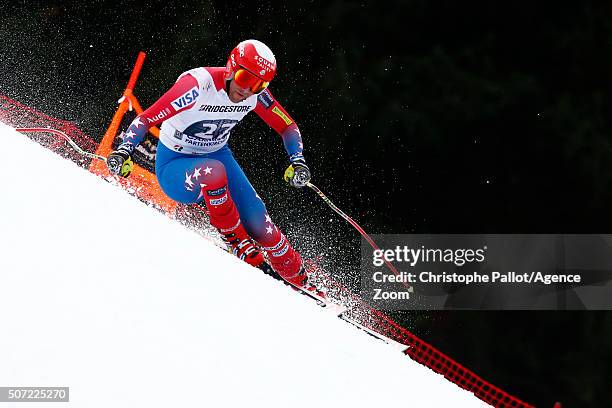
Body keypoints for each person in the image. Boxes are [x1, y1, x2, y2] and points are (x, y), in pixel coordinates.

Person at [107, 39, 312, 288]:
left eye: (259, 85)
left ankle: (303, 282)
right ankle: (236, 243)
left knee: (262, 226)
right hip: (175, 164)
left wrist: (298, 161)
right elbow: (146, 118)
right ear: (230, 67)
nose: (248, 90)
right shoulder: (196, 86)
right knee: (213, 172)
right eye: (245, 79)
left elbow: (287, 126)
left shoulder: (255, 95)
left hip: (218, 155)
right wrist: (123, 151)